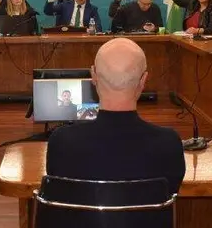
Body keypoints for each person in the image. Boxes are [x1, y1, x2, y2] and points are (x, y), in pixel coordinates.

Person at [46, 38, 185, 193]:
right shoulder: (169, 143)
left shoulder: (61, 142)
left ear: (94, 76)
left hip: (81, 218)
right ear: (143, 80)